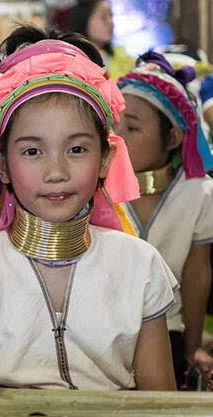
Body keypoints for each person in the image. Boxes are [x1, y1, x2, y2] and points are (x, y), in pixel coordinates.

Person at [0, 26, 177, 390]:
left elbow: (159, 411)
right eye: (32, 151)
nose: (56, 172)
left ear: (105, 158)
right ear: (1, 164)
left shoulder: (141, 266)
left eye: (77, 149)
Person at [116, 52, 213, 388]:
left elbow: (197, 274)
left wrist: (193, 348)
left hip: (170, 331)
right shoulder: (96, 188)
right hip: (107, 334)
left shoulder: (198, 192)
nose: (118, 138)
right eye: (114, 126)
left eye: (132, 127)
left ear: (172, 138)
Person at [66, 0, 134, 80]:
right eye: (103, 17)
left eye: (111, 16)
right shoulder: (69, 59)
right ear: (84, 19)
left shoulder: (123, 58)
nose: (110, 22)